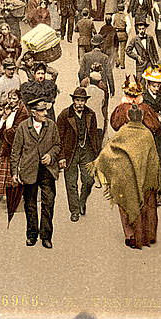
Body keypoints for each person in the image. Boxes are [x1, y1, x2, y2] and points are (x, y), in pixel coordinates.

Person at [92, 104, 160, 250]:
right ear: (142, 118)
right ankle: (148, 235)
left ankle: (130, 236)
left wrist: (103, 167)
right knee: (147, 205)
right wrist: (154, 178)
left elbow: (107, 154)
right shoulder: (147, 134)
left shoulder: (122, 132)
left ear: (128, 117)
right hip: (145, 177)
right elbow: (154, 160)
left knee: (125, 204)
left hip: (126, 178)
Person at [11, 96, 62, 249]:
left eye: (45, 110)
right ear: (33, 112)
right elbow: (15, 151)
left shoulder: (51, 126)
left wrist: (51, 155)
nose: (45, 113)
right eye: (41, 111)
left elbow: (58, 145)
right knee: (30, 205)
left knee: (49, 203)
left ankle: (46, 236)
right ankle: (32, 234)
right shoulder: (22, 127)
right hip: (29, 171)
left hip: (47, 171)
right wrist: (15, 172)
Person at [57, 87, 101, 221]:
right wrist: (61, 157)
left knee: (89, 180)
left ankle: (82, 202)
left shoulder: (91, 114)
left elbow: (94, 135)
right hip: (70, 152)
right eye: (77, 100)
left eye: (82, 101)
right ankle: (75, 210)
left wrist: (97, 155)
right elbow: (58, 138)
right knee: (71, 183)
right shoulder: (65, 115)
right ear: (73, 100)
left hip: (86, 151)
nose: (80, 103)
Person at [0, 89, 29, 201]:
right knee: (7, 171)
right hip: (8, 145)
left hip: (16, 146)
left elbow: (16, 130)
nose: (11, 100)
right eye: (10, 98)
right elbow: (0, 128)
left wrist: (5, 132)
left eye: (14, 98)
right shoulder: (9, 110)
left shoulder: (22, 112)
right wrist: (4, 118)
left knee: (16, 171)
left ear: (19, 99)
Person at [80, 67, 109, 138]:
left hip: (85, 121)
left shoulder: (84, 91)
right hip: (98, 122)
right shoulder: (102, 93)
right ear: (99, 82)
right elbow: (103, 107)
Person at [112, 4, 128, 69]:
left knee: (115, 49)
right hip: (123, 32)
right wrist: (127, 33)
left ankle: (117, 61)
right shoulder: (125, 16)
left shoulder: (114, 16)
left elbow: (112, 24)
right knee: (122, 49)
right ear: (123, 9)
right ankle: (122, 64)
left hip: (116, 33)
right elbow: (129, 26)